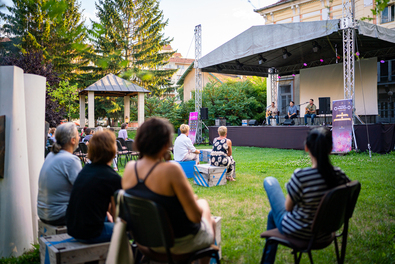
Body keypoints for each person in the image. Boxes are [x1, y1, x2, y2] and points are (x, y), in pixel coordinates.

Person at [122, 117, 215, 256]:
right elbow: (195, 217)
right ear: (166, 143)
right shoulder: (172, 170)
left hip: (145, 242)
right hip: (175, 243)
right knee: (205, 207)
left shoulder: (130, 169)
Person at [261, 127, 350, 264]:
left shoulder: (301, 176)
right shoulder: (340, 175)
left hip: (300, 231)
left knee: (270, 181)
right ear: (331, 149)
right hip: (326, 231)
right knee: (272, 215)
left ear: (307, 148)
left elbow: (288, 208)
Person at [66, 130, 122, 244]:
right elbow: (118, 216)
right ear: (112, 149)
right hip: (91, 233)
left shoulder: (85, 170)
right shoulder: (112, 177)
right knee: (130, 229)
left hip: (73, 228)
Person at [37, 123, 82, 226]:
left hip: (44, 214)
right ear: (73, 140)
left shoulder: (51, 155)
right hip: (59, 216)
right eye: (77, 135)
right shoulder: (71, 160)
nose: (79, 137)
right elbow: (83, 191)